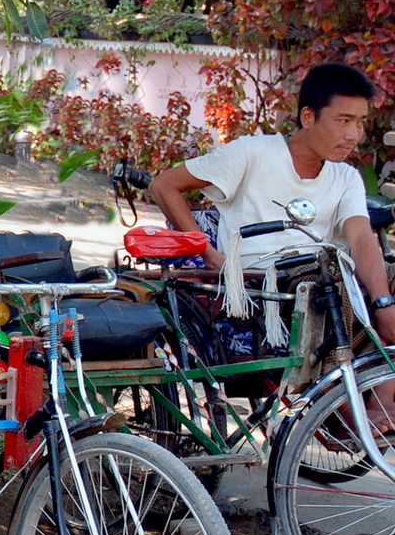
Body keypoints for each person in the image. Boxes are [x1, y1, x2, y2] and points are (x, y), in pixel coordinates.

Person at [149, 62, 395, 349]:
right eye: (343, 121)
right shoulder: (252, 153)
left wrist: (383, 301)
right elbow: (163, 186)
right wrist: (210, 255)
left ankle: (378, 383)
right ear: (308, 116)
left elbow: (362, 238)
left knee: (353, 279)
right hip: (265, 289)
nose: (354, 135)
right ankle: (351, 376)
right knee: (324, 284)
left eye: (360, 122)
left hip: (325, 281)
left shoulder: (345, 177)